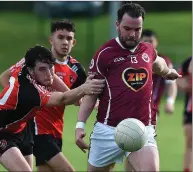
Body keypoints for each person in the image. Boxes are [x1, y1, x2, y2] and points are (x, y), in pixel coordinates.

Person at [75, 3, 181, 171]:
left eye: (137, 29)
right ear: (117, 25)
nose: (132, 34)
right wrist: (80, 125)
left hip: (142, 128)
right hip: (107, 130)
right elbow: (91, 93)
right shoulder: (104, 54)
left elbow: (157, 63)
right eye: (127, 29)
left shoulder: (147, 50)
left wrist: (168, 72)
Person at [0, 45, 105, 172]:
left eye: (51, 67)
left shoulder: (28, 66)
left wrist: (78, 97)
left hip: (22, 129)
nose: (48, 73)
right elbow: (62, 99)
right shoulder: (28, 91)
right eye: (42, 70)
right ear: (31, 70)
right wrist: (83, 89)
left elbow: (54, 80)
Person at [0, 19, 88, 172]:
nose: (65, 42)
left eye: (69, 38)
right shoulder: (34, 61)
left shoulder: (77, 69)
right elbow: (4, 77)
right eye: (60, 37)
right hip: (36, 129)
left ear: (74, 42)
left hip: (56, 130)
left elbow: (79, 98)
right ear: (51, 40)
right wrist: (20, 98)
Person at [125, 29, 178, 171]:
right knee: (131, 146)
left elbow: (171, 84)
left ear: (156, 43)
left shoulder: (164, 62)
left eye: (151, 41)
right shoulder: (132, 60)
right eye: (145, 41)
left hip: (152, 111)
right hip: (129, 110)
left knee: (142, 145)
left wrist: (170, 101)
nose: (148, 43)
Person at [177, 57, 192, 172]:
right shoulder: (189, 61)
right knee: (190, 141)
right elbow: (179, 79)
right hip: (190, 109)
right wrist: (187, 86)